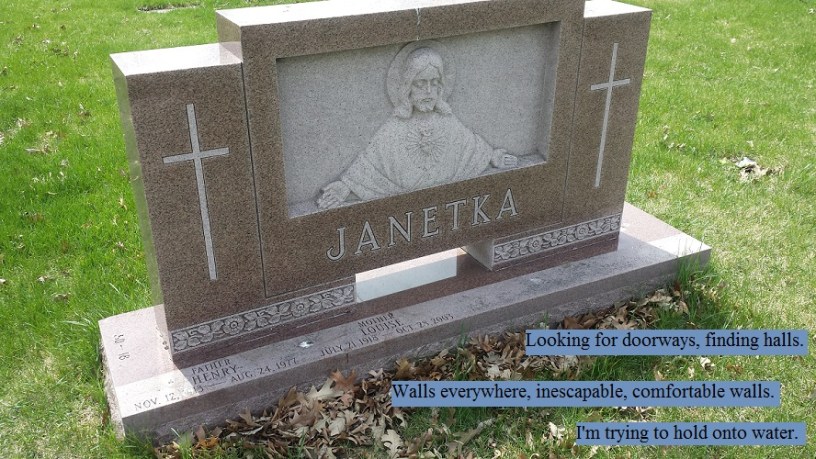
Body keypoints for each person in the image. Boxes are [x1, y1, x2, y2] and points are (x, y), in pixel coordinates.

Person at [317, 45, 517, 209]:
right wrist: (345, 187)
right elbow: (369, 165)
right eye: (420, 83)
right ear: (407, 88)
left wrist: (493, 157)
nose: (428, 91)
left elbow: (473, 149)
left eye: (434, 83)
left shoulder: (448, 122)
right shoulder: (391, 131)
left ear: (441, 87)